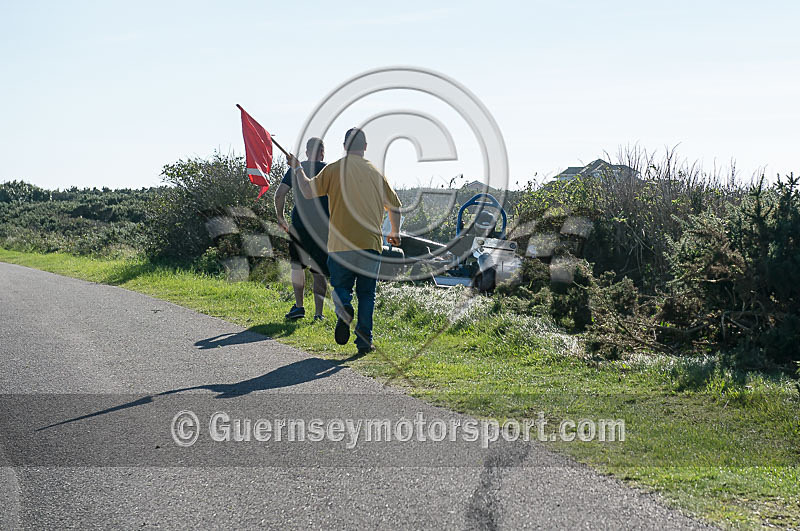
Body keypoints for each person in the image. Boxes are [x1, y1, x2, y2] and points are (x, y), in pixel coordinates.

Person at [287, 128, 401, 355]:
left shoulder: (334, 169)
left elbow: (308, 191)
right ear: (365, 147)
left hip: (340, 245)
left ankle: (344, 308)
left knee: (341, 286)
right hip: (370, 243)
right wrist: (394, 232)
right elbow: (395, 206)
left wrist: (298, 168)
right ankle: (364, 341)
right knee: (367, 294)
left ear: (344, 145)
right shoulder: (376, 173)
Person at [274, 137, 329, 321]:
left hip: (299, 226)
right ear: (322, 153)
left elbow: (280, 194)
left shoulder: (296, 169)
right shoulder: (328, 170)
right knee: (319, 270)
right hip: (323, 228)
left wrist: (281, 217)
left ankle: (299, 307)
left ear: (306, 152)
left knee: (298, 266)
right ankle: (319, 314)